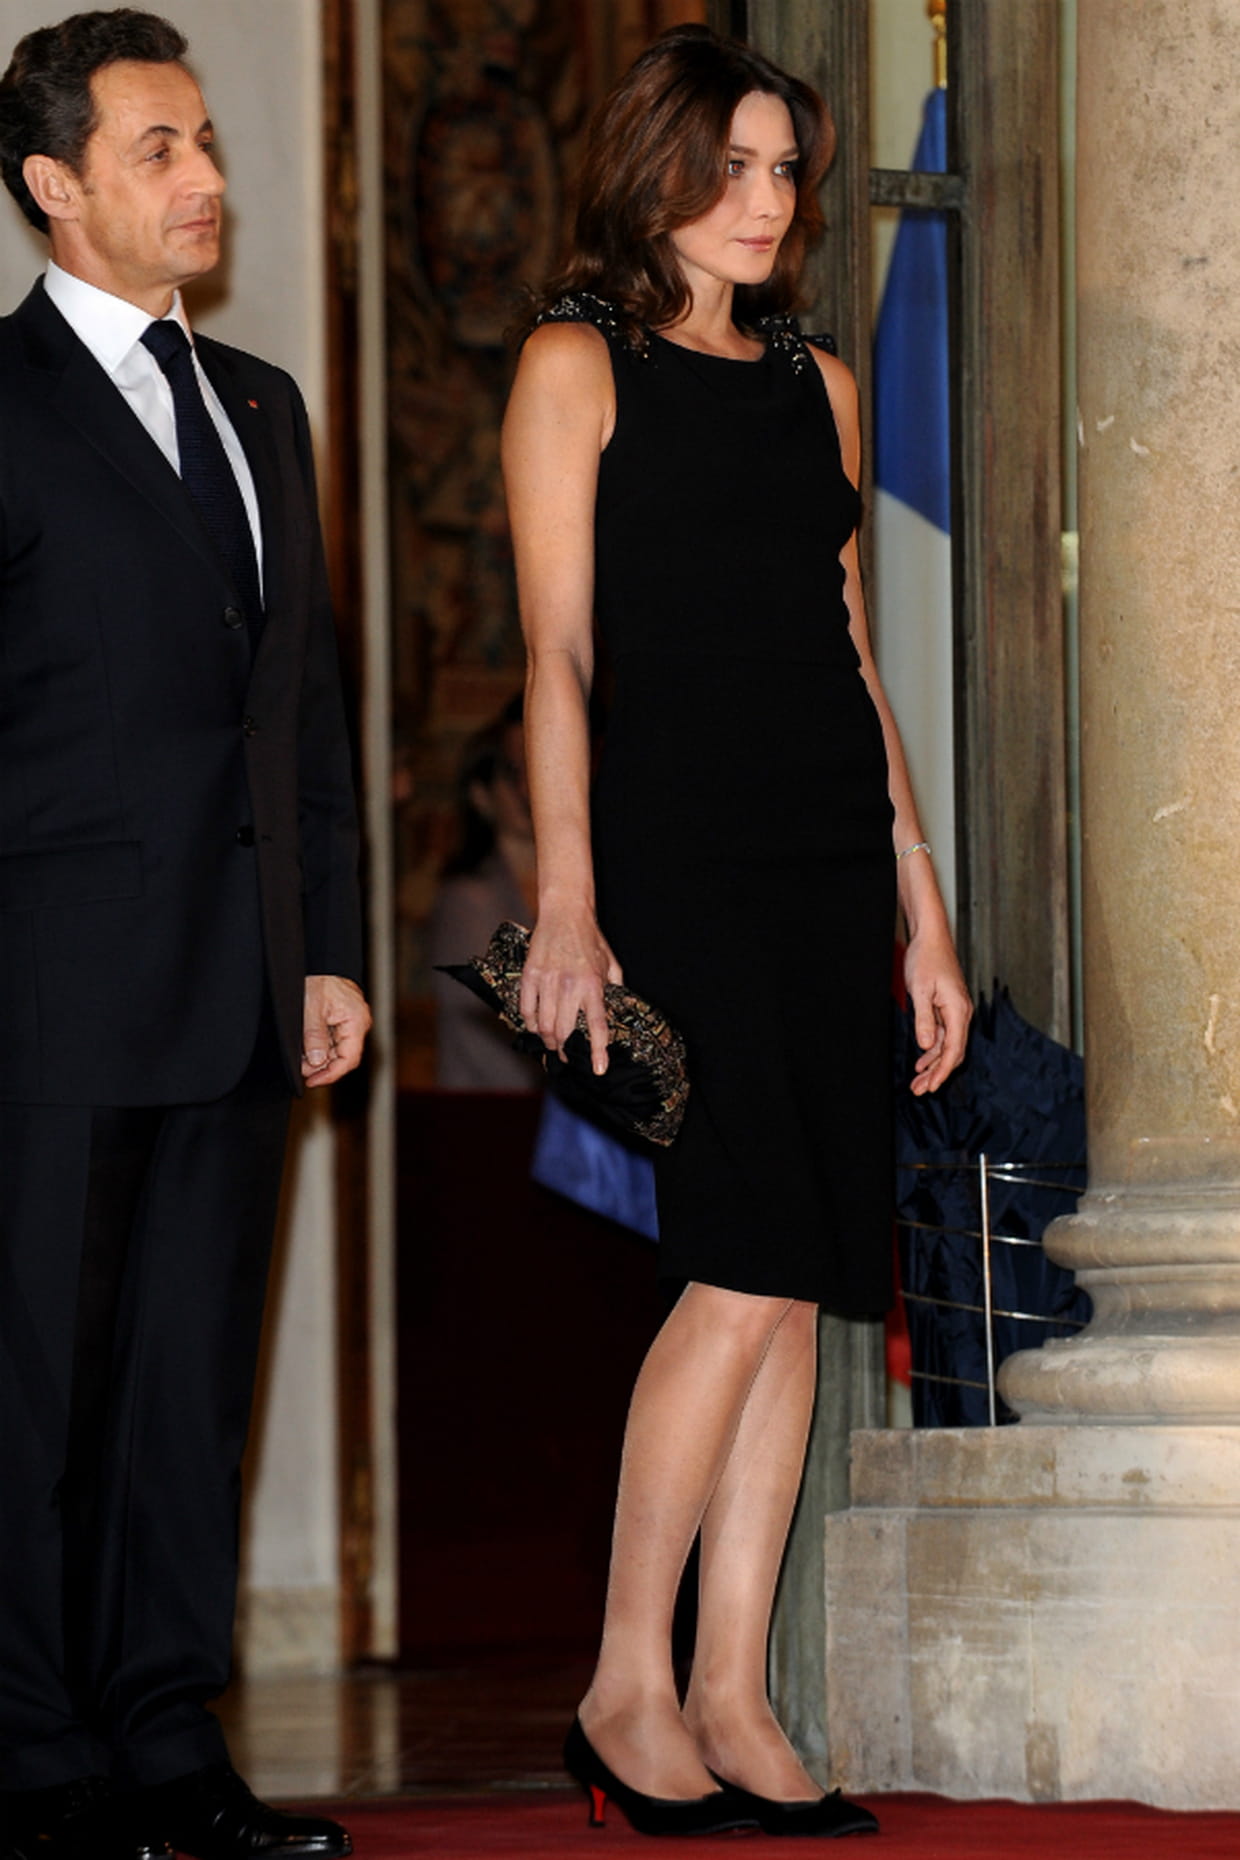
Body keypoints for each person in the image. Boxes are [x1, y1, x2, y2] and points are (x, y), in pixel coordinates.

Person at [502, 23, 971, 1841]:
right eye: (734, 167)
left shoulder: (816, 384)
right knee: (742, 1261)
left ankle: (730, 1688)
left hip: (828, 865)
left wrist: (923, 910)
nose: (766, 201)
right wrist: (568, 896)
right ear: (659, 168)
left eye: (785, 171)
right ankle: (624, 1683)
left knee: (798, 1290)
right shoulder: (575, 359)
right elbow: (556, 653)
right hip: (677, 863)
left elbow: (852, 653)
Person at [0, 12, 369, 1860]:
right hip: (48, 995)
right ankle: (29, 1758)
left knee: (184, 1393)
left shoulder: (265, 406)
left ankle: (166, 1742)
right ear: (55, 186)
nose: (205, 176)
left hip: (241, 987)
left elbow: (300, 711)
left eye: (207, 139)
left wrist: (329, 945)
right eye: (159, 147)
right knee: (32, 1402)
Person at [428, 693, 541, 1090]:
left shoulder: (575, 888)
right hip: (490, 1102)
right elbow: (483, 1019)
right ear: (481, 795)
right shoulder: (469, 896)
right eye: (514, 775)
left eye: (539, 773)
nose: (530, 791)